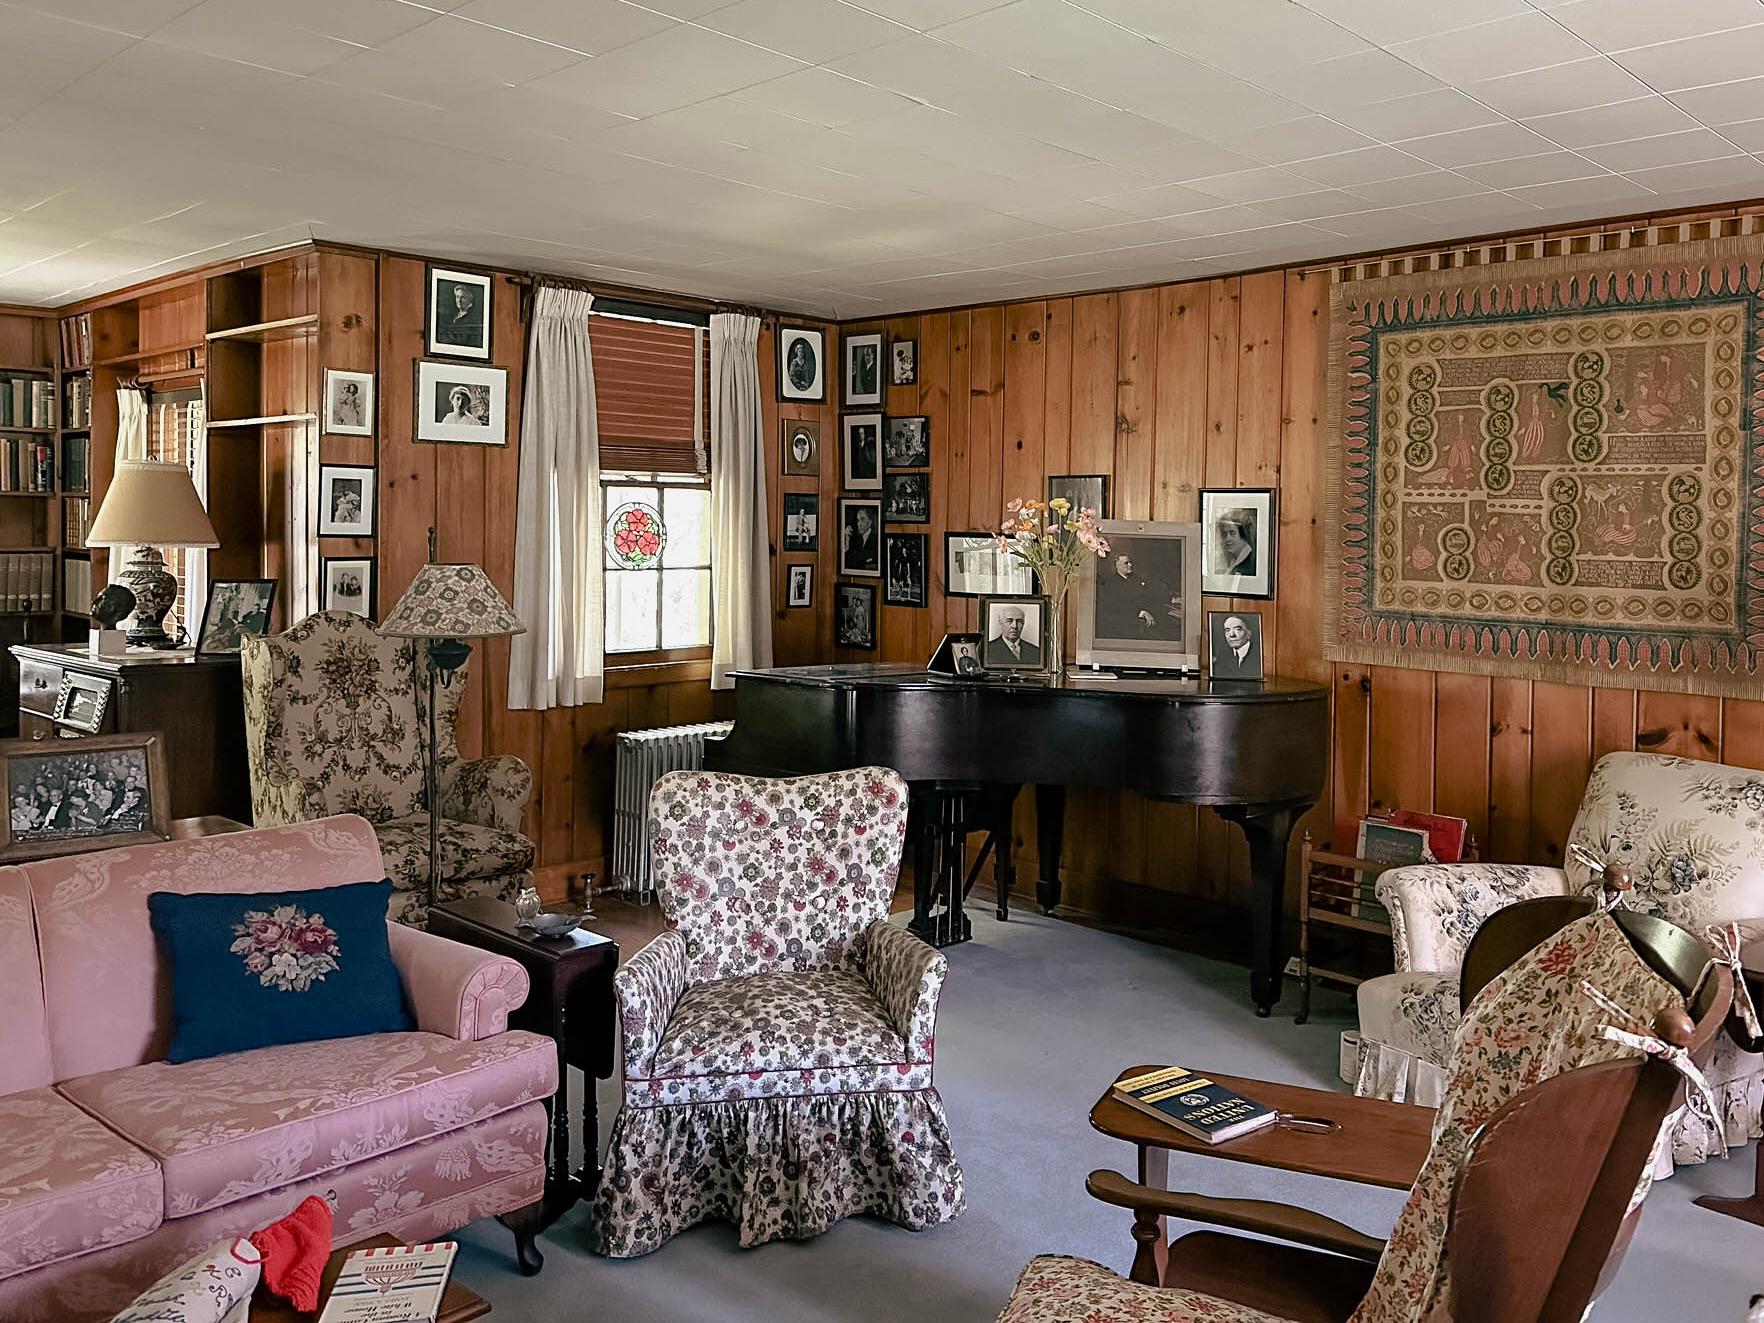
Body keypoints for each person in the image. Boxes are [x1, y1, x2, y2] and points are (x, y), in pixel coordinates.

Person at [1094, 546, 1182, 640]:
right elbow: (1117, 607)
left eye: (1130, 562)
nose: (1130, 565)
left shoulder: (1135, 579)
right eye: (1126, 563)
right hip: (1129, 622)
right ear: (1117, 565)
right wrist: (1141, 612)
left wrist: (1171, 599)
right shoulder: (1111, 584)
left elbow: (1150, 593)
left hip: (1150, 613)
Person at [1211, 614, 1262, 679]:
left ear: (1249, 633)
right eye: (1227, 630)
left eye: (1238, 629)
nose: (1232, 635)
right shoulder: (1221, 658)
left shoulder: (1260, 655)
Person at [437, 280, 483, 348]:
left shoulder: (473, 319)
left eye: (463, 297)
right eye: (457, 297)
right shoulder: (453, 316)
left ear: (469, 299)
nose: (459, 300)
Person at [1215, 510, 1257, 578]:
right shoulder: (1233, 561)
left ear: (1244, 534)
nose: (1227, 539)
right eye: (1225, 534)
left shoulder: (1250, 565)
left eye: (1232, 533)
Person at [843, 505, 878, 572]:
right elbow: (847, 562)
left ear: (870, 522)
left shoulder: (876, 540)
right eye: (858, 520)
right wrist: (847, 539)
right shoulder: (855, 539)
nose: (859, 524)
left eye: (862, 519)